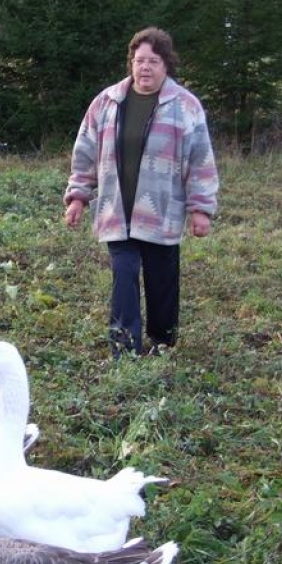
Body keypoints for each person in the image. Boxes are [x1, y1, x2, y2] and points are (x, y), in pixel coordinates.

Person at [63, 26, 219, 357]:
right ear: (131, 63)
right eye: (139, 60)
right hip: (115, 210)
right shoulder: (107, 102)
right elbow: (85, 151)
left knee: (161, 279)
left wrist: (201, 208)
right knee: (124, 272)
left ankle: (163, 341)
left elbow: (200, 159)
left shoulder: (185, 106)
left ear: (167, 65)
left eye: (153, 61)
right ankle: (124, 345)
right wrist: (78, 196)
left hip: (161, 212)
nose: (145, 67)